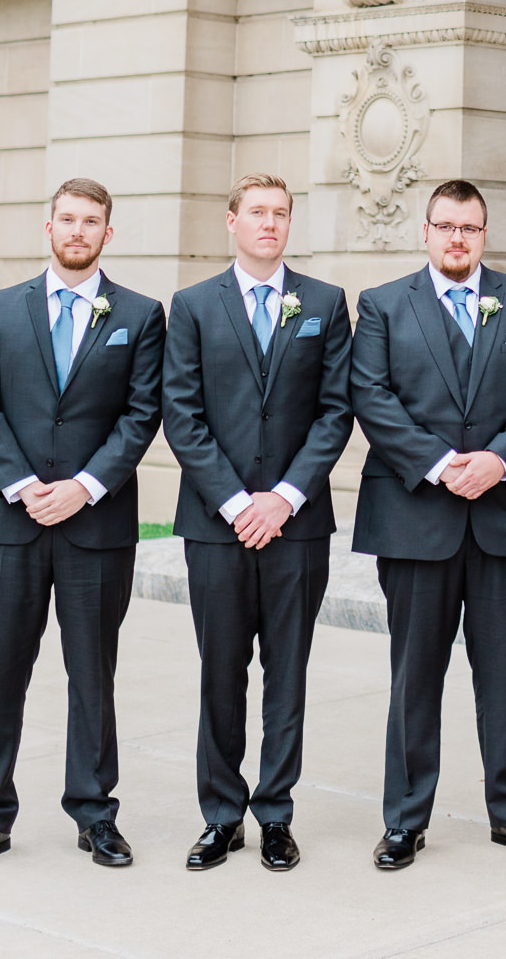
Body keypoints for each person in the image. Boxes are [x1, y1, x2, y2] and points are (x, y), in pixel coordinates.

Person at [0, 178, 165, 873]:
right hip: (10, 525)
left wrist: (84, 487)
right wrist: (22, 486)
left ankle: (95, 814)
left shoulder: (140, 314)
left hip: (94, 526)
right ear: (48, 228)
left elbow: (141, 414)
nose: (78, 230)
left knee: (91, 675)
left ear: (108, 233)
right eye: (67, 219)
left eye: (91, 221)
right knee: (2, 672)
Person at [350, 179, 506, 870]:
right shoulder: (383, 305)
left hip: (505, 514)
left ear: (484, 233)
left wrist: (498, 461)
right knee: (415, 674)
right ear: (425, 230)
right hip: (417, 516)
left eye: (470, 228)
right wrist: (443, 465)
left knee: (504, 674)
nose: (457, 239)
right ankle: (406, 819)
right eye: (446, 226)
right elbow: (372, 397)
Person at [161, 174, 352, 873]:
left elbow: (336, 410)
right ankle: (220, 815)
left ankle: (275, 813)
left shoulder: (325, 304)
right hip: (217, 525)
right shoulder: (191, 307)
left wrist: (286, 497)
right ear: (231, 221)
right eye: (257, 213)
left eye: (280, 213)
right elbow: (180, 414)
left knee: (287, 674)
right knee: (221, 672)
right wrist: (240, 502)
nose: (269, 224)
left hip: (297, 525)